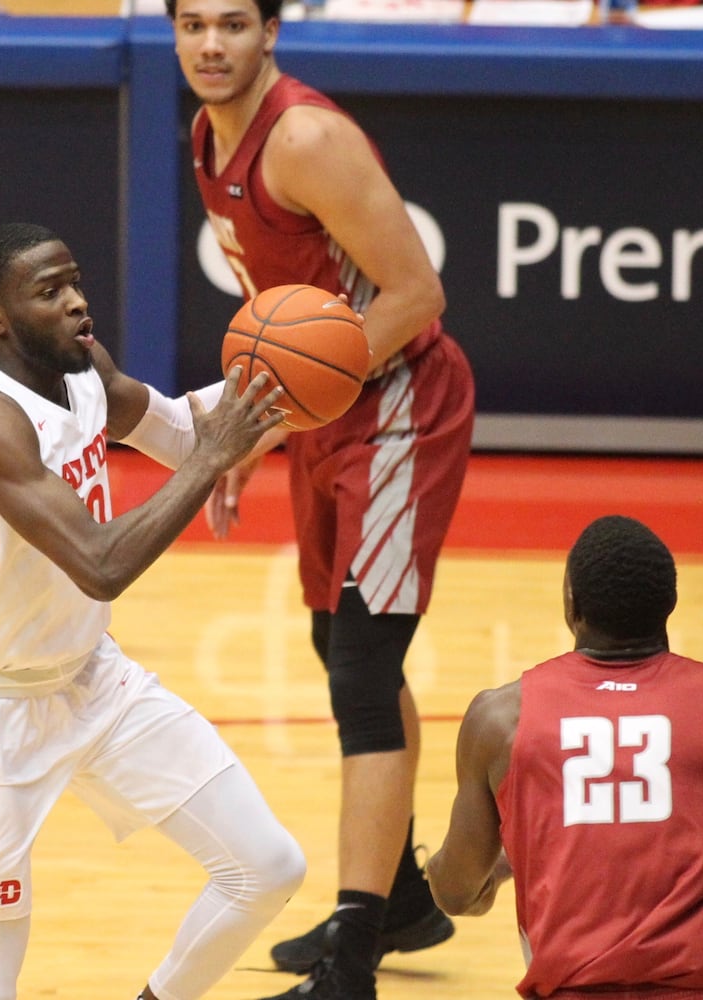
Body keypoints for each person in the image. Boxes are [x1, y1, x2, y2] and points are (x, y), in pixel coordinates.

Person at [0, 222, 308, 1000]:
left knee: (266, 868)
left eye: (75, 282)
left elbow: (181, 431)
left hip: (96, 682)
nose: (77, 303)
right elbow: (100, 563)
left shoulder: (84, 368)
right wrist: (209, 459)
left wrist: (289, 385)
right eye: (49, 291)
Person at [169, 0, 477, 995]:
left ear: (271, 34)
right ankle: (400, 901)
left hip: (397, 403)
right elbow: (285, 316)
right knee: (331, 643)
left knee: (361, 661)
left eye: (231, 24)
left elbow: (417, 293)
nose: (209, 45)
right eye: (189, 24)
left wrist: (270, 415)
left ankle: (355, 952)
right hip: (327, 410)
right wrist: (265, 425)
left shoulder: (301, 139)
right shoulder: (205, 136)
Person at [426, 515, 703, 999]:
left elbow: (454, 892)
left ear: (571, 604)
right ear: (670, 603)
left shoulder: (500, 720)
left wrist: (506, 862)